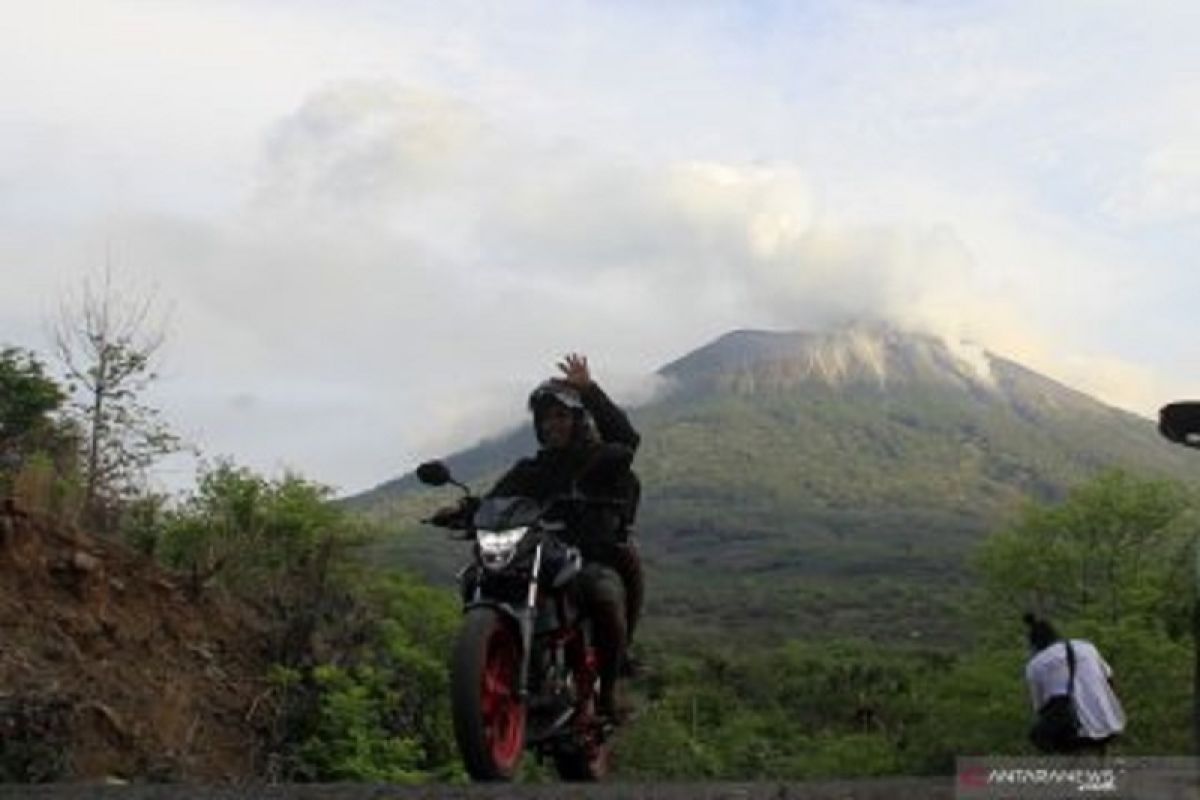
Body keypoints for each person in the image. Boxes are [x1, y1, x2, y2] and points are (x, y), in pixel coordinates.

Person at [486, 353, 643, 721]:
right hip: (536, 558)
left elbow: (626, 439)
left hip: (585, 557)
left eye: (560, 416)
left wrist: (589, 390)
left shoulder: (598, 458)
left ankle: (608, 690)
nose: (552, 424)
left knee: (603, 592)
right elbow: (496, 499)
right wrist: (463, 509)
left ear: (577, 420)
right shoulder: (531, 470)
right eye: (546, 418)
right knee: (482, 578)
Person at [1023, 613, 1125, 755]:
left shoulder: (1035, 665)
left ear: (1034, 644)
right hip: (1112, 723)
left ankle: (1069, 763)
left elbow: (1040, 708)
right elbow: (1109, 678)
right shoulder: (1087, 647)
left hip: (1077, 733)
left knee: (1038, 735)